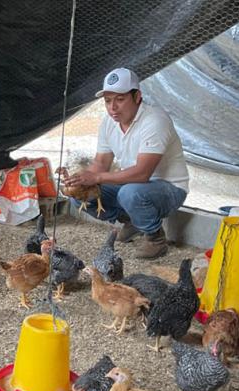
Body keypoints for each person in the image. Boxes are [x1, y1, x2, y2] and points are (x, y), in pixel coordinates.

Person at [62, 68, 189, 259]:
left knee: (130, 193)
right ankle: (133, 221)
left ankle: (155, 239)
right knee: (80, 196)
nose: (113, 107)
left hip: (169, 190)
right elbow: (100, 163)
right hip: (133, 186)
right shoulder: (109, 122)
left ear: (137, 96)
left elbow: (142, 174)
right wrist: (79, 180)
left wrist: (96, 177)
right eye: (108, 100)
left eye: (120, 99)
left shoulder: (155, 120)